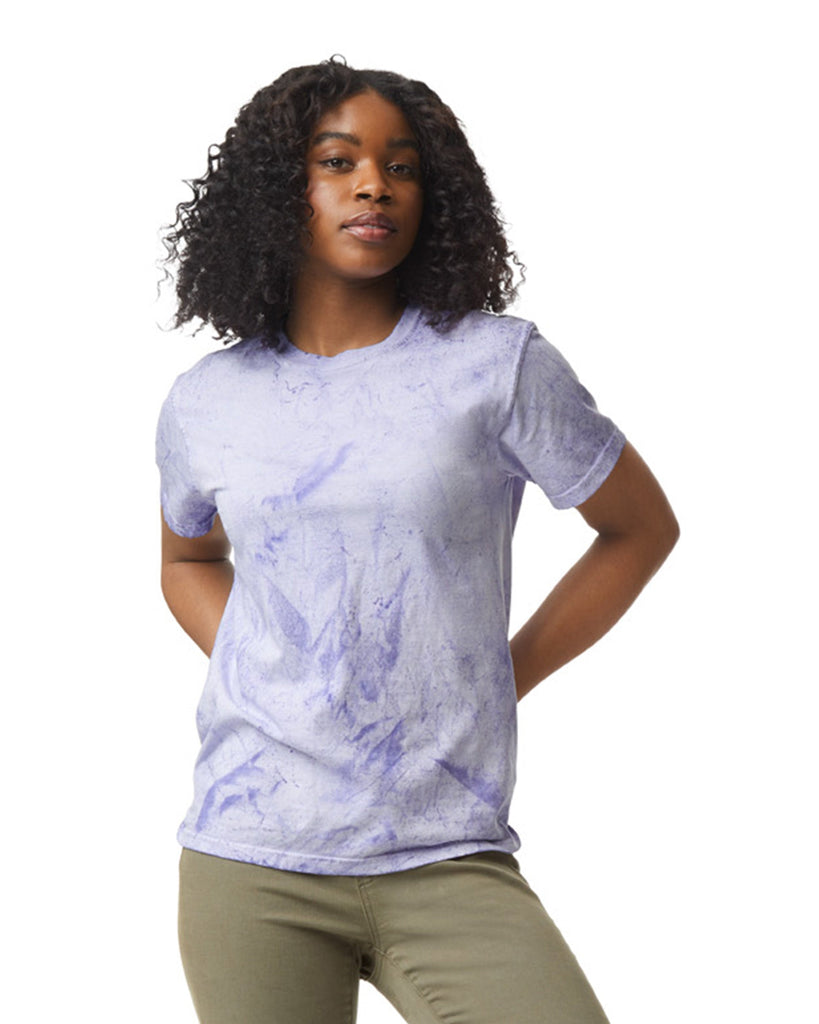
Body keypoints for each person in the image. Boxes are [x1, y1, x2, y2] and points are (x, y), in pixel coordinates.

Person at [156, 56, 679, 1024]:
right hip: (252, 854)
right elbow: (188, 558)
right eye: (338, 161)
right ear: (276, 192)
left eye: (401, 167)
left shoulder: (497, 365)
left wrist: (500, 671)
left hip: (446, 850)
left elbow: (638, 530)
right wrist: (272, 661)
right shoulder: (208, 399)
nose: (374, 186)